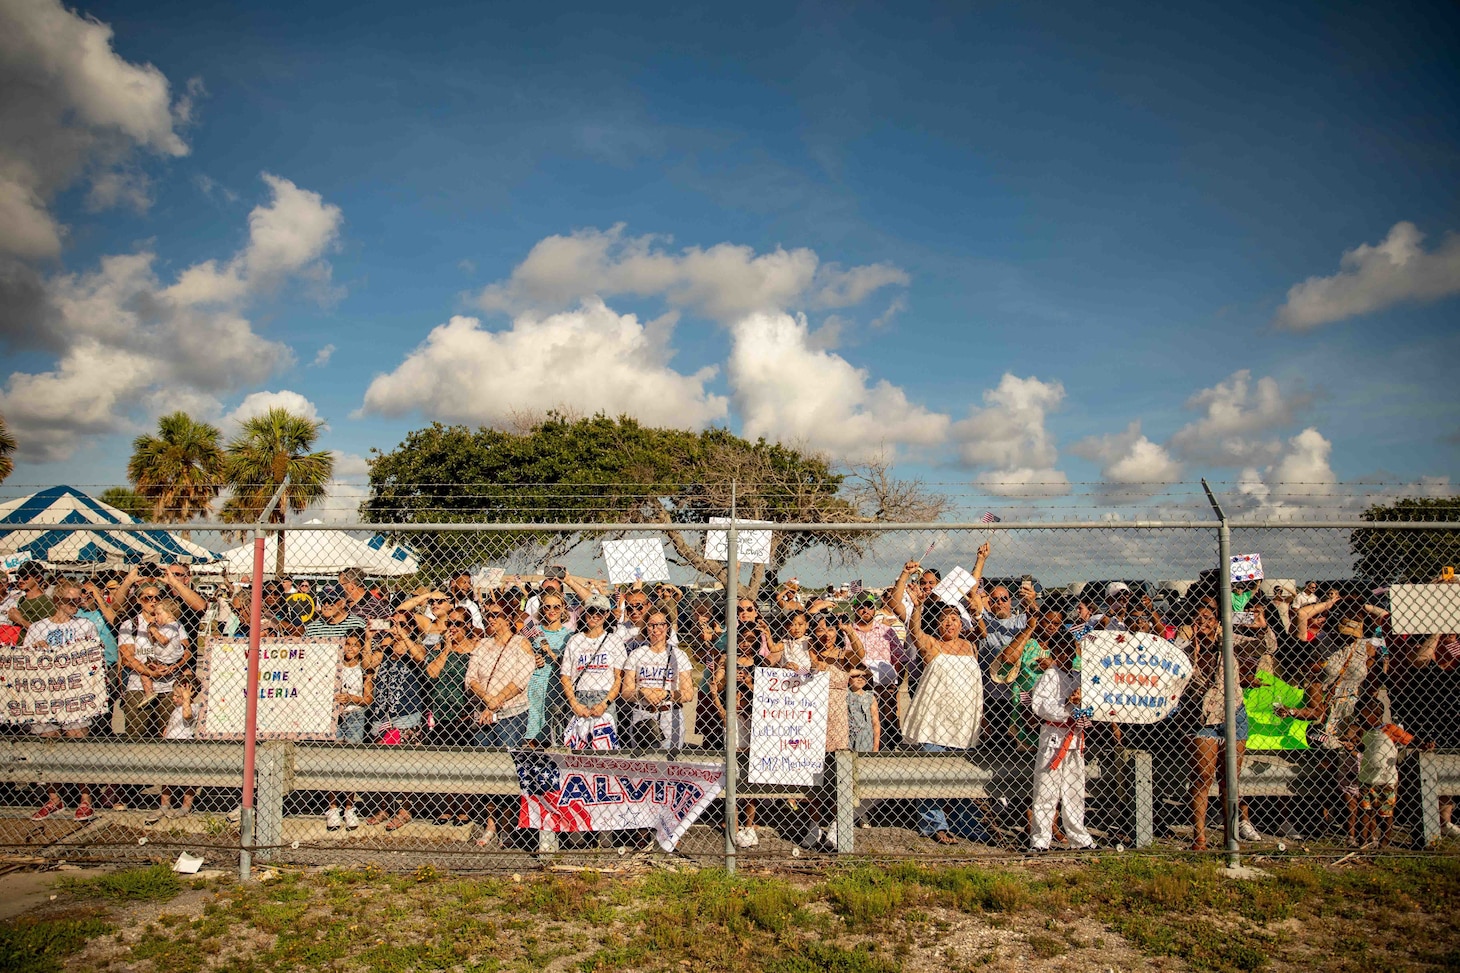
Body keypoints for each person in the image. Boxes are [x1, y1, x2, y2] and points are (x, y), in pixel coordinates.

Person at [1180, 605, 1272, 849]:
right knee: (1202, 776)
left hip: (1233, 712)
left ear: (1217, 620)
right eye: (1197, 617)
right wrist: (1192, 645)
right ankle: (1199, 836)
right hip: (1201, 715)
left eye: (1208, 617)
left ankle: (1229, 836)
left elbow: (1266, 647)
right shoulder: (1185, 646)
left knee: (1229, 779)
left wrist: (1262, 628)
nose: (1203, 622)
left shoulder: (1229, 640)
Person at [903, 596, 984, 845]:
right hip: (935, 721)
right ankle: (935, 824)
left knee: (963, 778)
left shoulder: (970, 647)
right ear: (937, 625)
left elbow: (983, 632)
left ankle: (966, 823)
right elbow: (914, 632)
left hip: (962, 721)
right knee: (933, 776)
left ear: (961, 624)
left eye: (954, 619)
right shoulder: (933, 646)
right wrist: (917, 608)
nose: (949, 624)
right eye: (944, 620)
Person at [25, 581, 103, 822]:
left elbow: (94, 656)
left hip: (74, 697)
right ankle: (54, 798)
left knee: (78, 746)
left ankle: (85, 799)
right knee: (48, 747)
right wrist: (37, 651)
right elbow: (23, 663)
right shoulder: (38, 628)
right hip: (47, 697)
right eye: (70, 601)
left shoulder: (85, 625)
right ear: (57, 601)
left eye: (78, 600)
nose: (75, 605)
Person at [466, 598, 534, 846]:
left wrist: (497, 700)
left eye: (496, 615)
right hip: (483, 713)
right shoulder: (482, 644)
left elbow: (521, 680)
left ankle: (507, 824)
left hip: (511, 714)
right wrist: (487, 700)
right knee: (487, 772)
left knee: (508, 770)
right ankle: (490, 823)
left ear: (507, 618)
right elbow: (471, 678)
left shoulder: (521, 644)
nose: (490, 619)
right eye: (488, 615)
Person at [1029, 631, 1095, 852]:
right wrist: (1068, 704)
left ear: (1075, 651)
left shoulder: (1079, 677)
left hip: (1075, 740)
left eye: (1069, 650)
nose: (1065, 654)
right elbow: (1039, 706)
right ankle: (1040, 840)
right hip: (1053, 740)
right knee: (1046, 792)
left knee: (1074, 792)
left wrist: (1081, 704)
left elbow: (1091, 709)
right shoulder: (1049, 675)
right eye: (1060, 650)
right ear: (1054, 652)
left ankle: (1080, 838)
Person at [365, 613, 427, 832]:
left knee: (404, 766)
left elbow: (420, 658)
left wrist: (404, 637)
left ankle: (404, 810)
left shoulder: (416, 648)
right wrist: (368, 638)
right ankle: (384, 807)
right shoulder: (385, 650)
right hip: (382, 715)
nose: (395, 628)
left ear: (410, 628)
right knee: (382, 766)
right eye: (393, 624)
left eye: (401, 625)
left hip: (405, 716)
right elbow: (367, 664)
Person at [425, 607, 480, 827]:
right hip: (441, 713)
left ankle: (464, 808)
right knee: (445, 764)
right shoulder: (440, 648)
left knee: (464, 764)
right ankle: (447, 808)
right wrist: (446, 649)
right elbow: (431, 673)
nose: (453, 628)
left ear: (467, 626)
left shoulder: (475, 649)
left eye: (458, 624)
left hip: (463, 714)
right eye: (450, 624)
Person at [117, 586, 191, 738]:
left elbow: (186, 651)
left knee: (169, 733)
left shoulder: (175, 624)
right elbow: (127, 658)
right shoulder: (130, 625)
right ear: (138, 600)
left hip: (169, 687)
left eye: (158, 597)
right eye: (147, 598)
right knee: (137, 733)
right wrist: (150, 672)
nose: (153, 601)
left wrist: (174, 666)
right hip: (138, 686)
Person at [622, 610, 695, 750]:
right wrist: (643, 692)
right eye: (651, 625)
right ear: (646, 627)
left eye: (661, 624)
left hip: (669, 713)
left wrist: (665, 694)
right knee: (642, 765)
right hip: (642, 714)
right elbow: (626, 692)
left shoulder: (678, 655)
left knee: (669, 764)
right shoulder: (637, 654)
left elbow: (688, 694)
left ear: (668, 627)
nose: (656, 629)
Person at [561, 594, 623, 750]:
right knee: (575, 755)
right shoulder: (575, 641)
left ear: (607, 614)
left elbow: (618, 679)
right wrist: (574, 704)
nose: (595, 616)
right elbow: (566, 676)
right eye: (591, 611)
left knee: (605, 755)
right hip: (579, 698)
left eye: (600, 612)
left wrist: (605, 703)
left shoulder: (614, 641)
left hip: (604, 698)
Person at [326, 628, 373, 831]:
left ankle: (349, 807)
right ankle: (332, 807)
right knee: (334, 761)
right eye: (348, 644)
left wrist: (352, 698)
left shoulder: (363, 670)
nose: (350, 648)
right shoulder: (334, 666)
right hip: (335, 716)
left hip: (355, 714)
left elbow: (368, 699)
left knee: (351, 762)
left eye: (355, 645)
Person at [1355, 698, 1413, 849]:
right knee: (1365, 812)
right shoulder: (1363, 731)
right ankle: (1363, 842)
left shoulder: (1390, 730)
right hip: (1366, 779)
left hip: (1387, 780)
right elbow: (1363, 748)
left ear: (1377, 713)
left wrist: (1423, 743)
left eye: (1362, 714)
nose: (1359, 717)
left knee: (1385, 814)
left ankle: (1384, 843)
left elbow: (1410, 740)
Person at [146, 674, 200, 825]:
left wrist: (187, 698)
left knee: (189, 778)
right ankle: (164, 804)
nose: (174, 698)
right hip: (171, 748)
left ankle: (186, 806)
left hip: (185, 749)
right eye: (174, 695)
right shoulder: (176, 709)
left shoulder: (193, 708)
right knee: (167, 777)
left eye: (178, 695)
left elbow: (187, 716)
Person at [524, 590, 574, 747]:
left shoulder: (570, 636)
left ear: (563, 609)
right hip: (535, 685)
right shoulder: (534, 632)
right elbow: (524, 658)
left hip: (557, 686)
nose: (552, 611)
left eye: (556, 607)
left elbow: (570, 665)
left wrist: (551, 653)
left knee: (554, 733)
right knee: (532, 734)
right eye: (547, 607)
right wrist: (533, 660)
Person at [7, 562, 54, 631]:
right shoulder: (22, 599)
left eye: (25, 577)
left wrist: (20, 620)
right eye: (18, 577)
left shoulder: (47, 603)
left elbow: (46, 632)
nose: (20, 580)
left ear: (38, 577)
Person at [847, 666, 879, 752]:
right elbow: (845, 673)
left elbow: (876, 723)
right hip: (848, 736)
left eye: (863, 676)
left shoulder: (870, 697)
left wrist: (876, 747)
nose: (860, 679)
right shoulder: (845, 694)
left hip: (866, 737)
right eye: (856, 676)